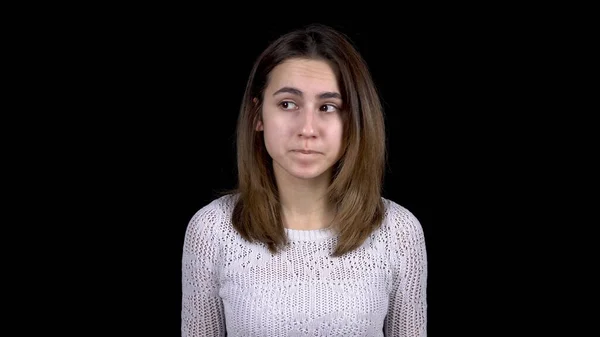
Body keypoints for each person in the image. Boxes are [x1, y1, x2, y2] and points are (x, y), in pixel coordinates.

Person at [181, 23, 427, 336]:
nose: (307, 128)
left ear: (353, 121)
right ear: (258, 116)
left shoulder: (398, 232)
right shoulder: (213, 230)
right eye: (287, 104)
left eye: (328, 107)